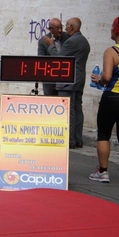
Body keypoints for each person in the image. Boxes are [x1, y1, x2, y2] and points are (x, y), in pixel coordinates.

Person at [88, 13, 119, 183]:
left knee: (103, 134)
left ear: (115, 31)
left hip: (113, 97)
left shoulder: (112, 51)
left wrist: (98, 79)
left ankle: (103, 172)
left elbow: (107, 77)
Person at [43, 17, 91, 149]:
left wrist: (51, 45)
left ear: (72, 27)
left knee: (68, 110)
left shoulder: (72, 41)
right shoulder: (84, 41)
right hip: (80, 78)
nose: (64, 29)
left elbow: (58, 58)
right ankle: (77, 139)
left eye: (66, 26)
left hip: (68, 80)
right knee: (77, 108)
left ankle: (69, 140)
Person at [37, 18, 69, 96]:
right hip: (49, 80)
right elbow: (41, 60)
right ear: (50, 29)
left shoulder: (67, 38)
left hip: (64, 78)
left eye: (61, 27)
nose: (60, 30)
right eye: (57, 28)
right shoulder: (43, 41)